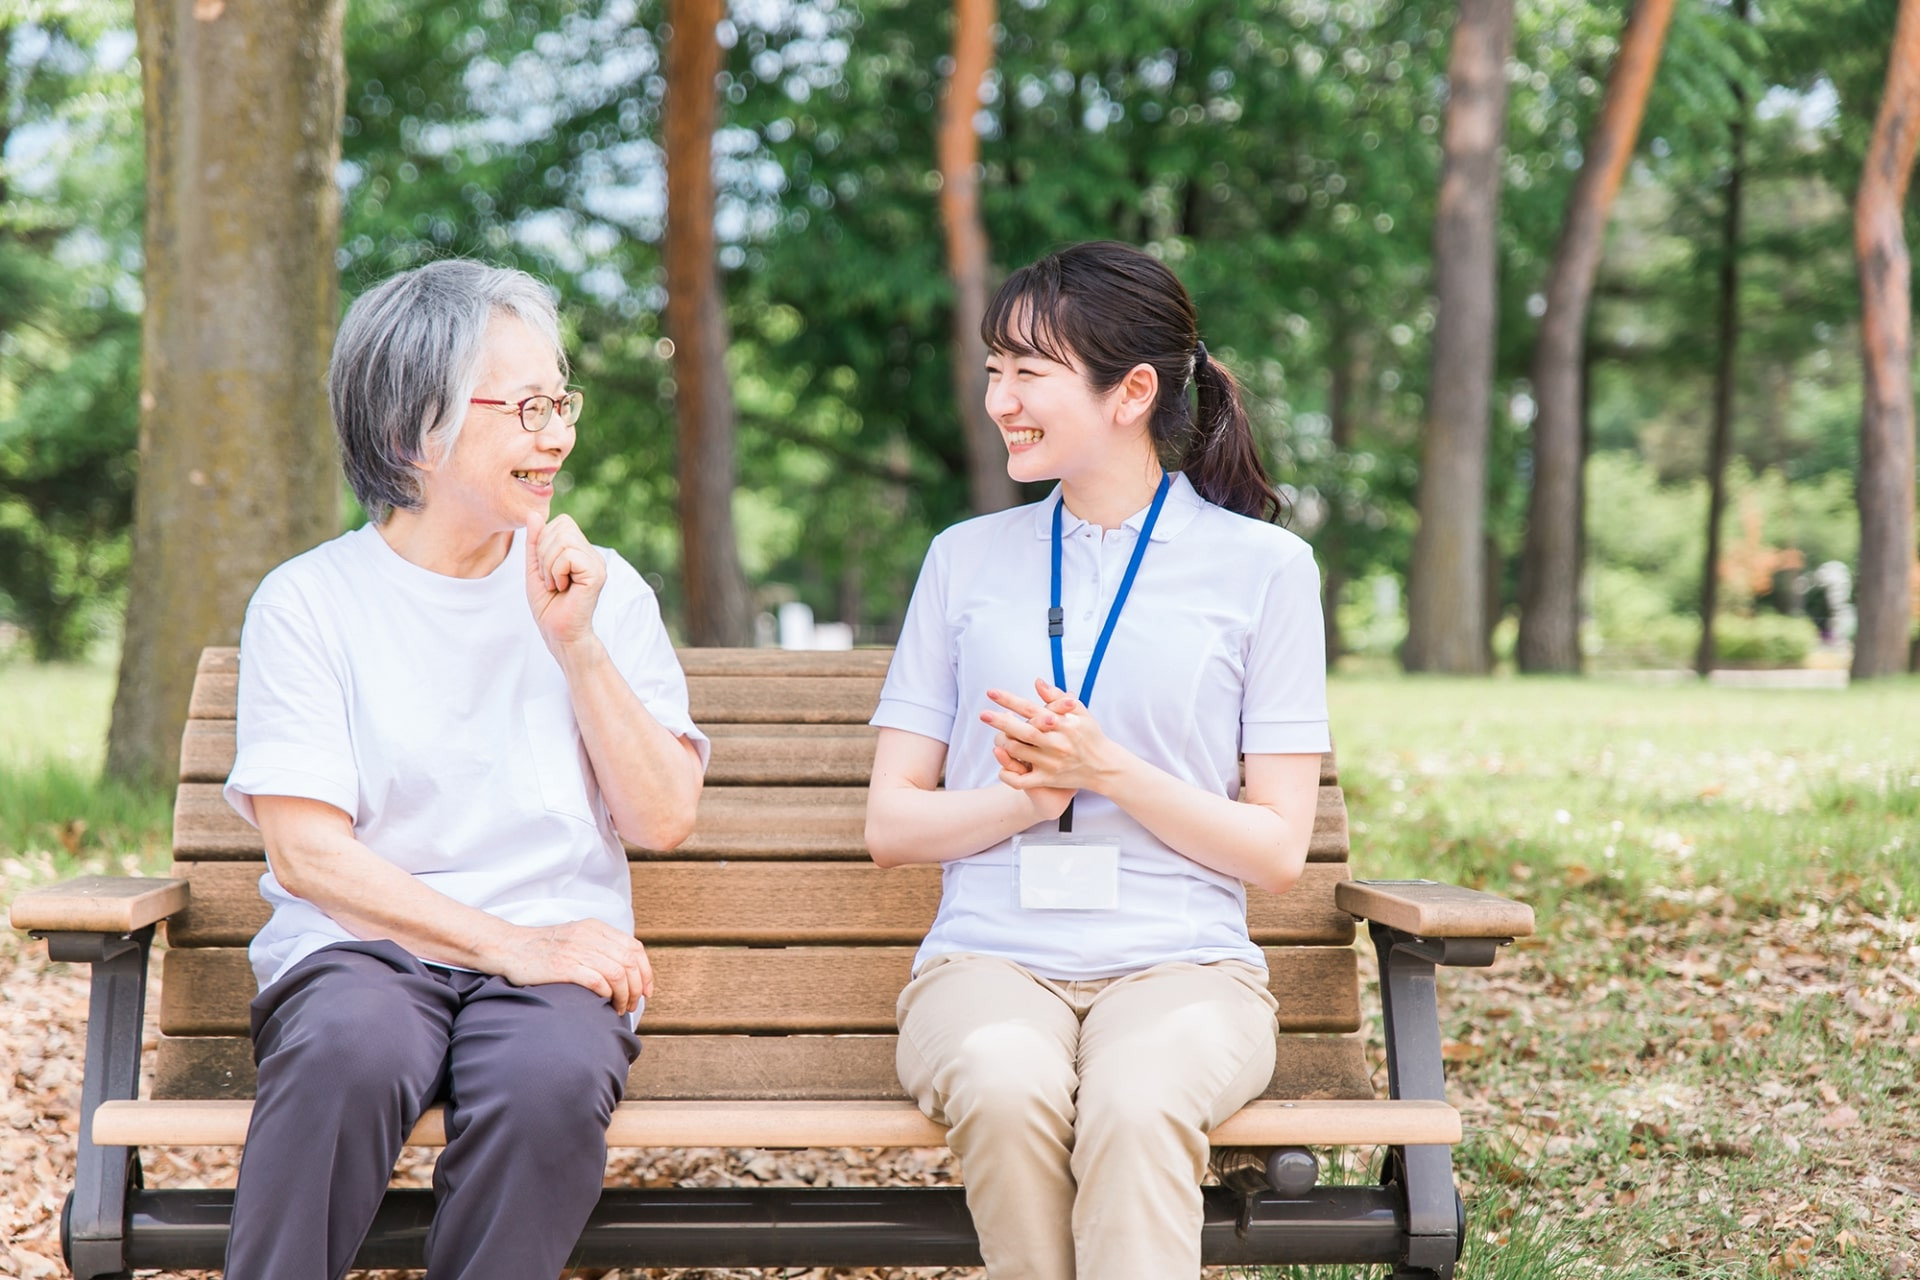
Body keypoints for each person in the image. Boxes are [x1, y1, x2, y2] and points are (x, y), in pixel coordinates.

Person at [221, 259, 709, 1280]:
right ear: (413, 432)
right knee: (347, 1051)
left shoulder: (600, 594)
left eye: (561, 400)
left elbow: (663, 816)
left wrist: (577, 644)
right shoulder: (310, 603)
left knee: (549, 1078)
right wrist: (512, 944)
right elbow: (310, 857)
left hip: (556, 964)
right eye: (527, 406)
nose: (559, 434)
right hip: (362, 950)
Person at [864, 241, 1329, 1280]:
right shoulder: (964, 558)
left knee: (1135, 1097)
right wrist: (1024, 802)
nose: (1000, 399)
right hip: (986, 957)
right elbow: (892, 824)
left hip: (1185, 963)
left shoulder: (1265, 570)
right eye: (995, 369)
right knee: (1000, 1077)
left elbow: (1277, 849)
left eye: (1030, 371)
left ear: (1131, 391)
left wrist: (1109, 771)